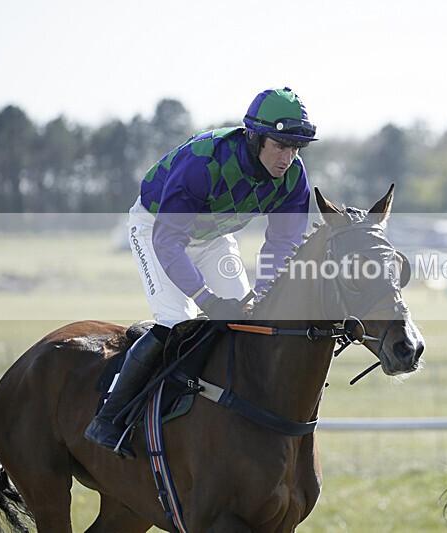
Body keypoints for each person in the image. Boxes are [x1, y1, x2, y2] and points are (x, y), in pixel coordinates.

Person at [85, 87, 318, 458]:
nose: (288, 157)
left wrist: (260, 292)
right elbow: (169, 241)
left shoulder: (294, 178)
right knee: (178, 320)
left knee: (249, 320)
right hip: (157, 229)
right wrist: (207, 299)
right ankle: (110, 418)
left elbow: (283, 243)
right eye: (280, 145)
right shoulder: (203, 161)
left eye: (295, 148)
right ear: (255, 137)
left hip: (212, 237)